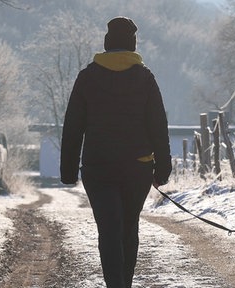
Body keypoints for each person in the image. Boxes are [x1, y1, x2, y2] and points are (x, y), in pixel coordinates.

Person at [60, 16, 172, 288]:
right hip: (138, 167)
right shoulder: (145, 78)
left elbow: (73, 125)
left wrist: (68, 170)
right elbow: (158, 124)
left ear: (107, 44)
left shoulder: (87, 77)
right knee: (128, 228)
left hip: (98, 168)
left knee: (108, 230)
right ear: (132, 46)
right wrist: (163, 169)